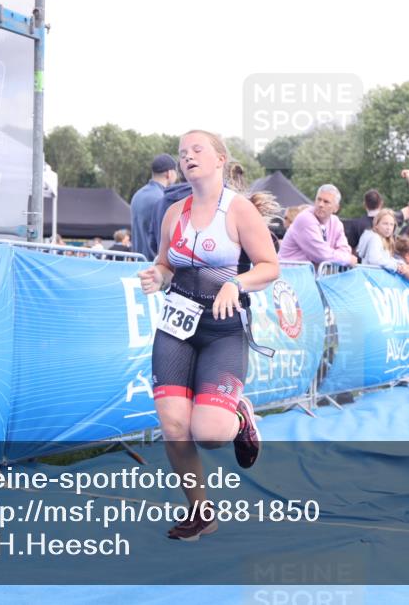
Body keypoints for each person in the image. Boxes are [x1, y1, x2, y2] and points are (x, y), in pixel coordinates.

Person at [137, 129, 279, 542]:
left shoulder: (237, 211)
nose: (188, 156)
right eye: (183, 153)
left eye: (197, 149)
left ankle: (238, 415)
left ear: (219, 159)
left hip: (222, 330)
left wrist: (237, 284)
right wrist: (157, 276)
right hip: (176, 327)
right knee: (173, 424)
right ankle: (200, 512)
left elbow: (270, 265)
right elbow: (165, 264)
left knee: (212, 434)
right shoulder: (172, 212)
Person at [278, 185, 357, 267]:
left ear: (336, 208)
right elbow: (321, 254)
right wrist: (347, 259)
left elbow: (344, 250)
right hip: (290, 274)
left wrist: (342, 257)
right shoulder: (305, 218)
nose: (320, 204)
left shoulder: (336, 223)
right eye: (319, 199)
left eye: (326, 202)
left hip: (308, 275)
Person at [130, 154, 178, 260]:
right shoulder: (163, 198)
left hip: (138, 261)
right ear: (169, 173)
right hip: (154, 265)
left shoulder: (137, 195)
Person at [356, 209, 409, 285]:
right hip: (370, 279)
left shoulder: (383, 239)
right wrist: (395, 266)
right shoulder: (375, 238)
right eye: (385, 224)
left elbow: (385, 258)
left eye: (391, 224)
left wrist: (399, 263)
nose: (388, 227)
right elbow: (374, 259)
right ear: (376, 225)